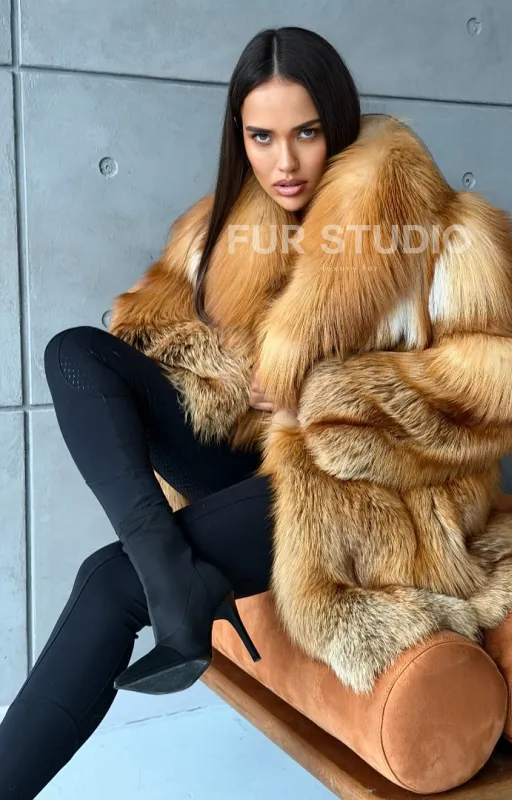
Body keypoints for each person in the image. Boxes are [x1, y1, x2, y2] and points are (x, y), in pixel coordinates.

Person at [0, 26, 362, 798]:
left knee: (109, 580)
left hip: (355, 486)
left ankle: (165, 587)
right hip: (249, 462)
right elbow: (158, 343)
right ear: (239, 134)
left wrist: (319, 392)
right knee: (76, 353)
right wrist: (225, 362)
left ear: (339, 124)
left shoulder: (410, 229)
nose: (285, 162)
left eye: (306, 133)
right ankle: (172, 574)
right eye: (262, 137)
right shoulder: (223, 230)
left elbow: (501, 387)